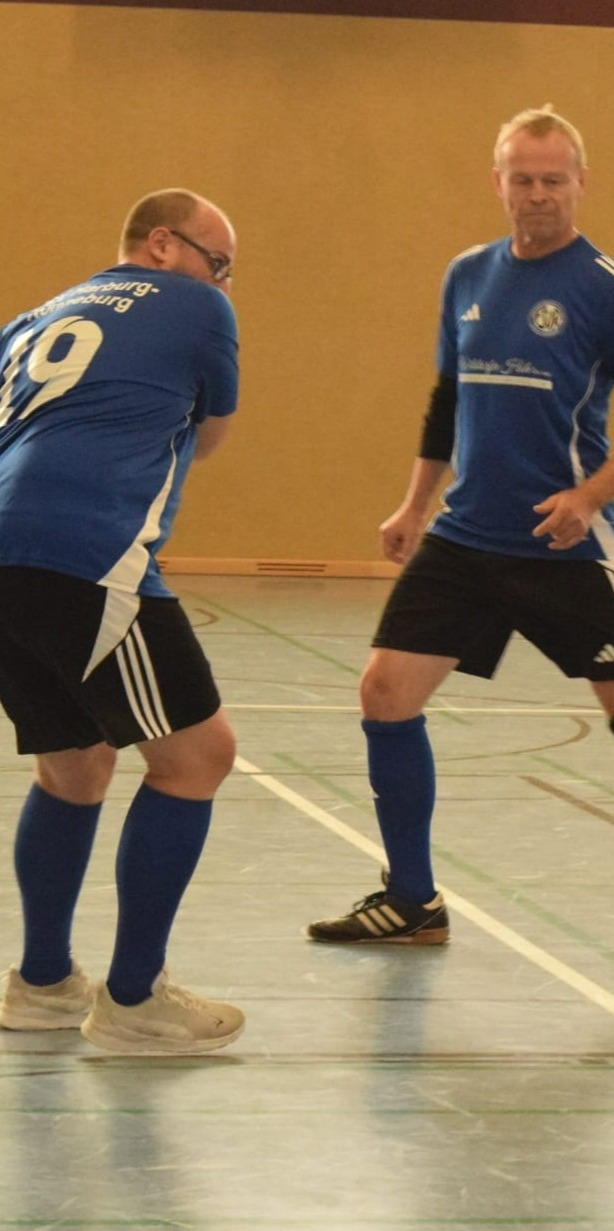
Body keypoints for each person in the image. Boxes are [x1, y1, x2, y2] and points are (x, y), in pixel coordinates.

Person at [307, 107, 614, 956]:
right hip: (465, 538)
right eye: (522, 178)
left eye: (553, 180)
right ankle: (413, 898)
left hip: (564, 546)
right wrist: (413, 504)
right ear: (497, 182)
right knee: (384, 693)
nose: (537, 195)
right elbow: (445, 400)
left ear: (580, 184)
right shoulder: (466, 275)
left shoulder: (603, 284)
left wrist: (588, 495)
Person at [0, 189, 245, 1054]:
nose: (224, 281)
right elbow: (209, 433)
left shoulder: (35, 316)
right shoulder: (197, 305)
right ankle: (135, 997)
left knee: (73, 762)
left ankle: (39, 985)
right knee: (197, 755)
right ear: (161, 243)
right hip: (87, 545)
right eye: (219, 262)